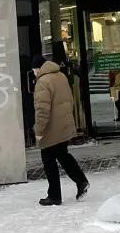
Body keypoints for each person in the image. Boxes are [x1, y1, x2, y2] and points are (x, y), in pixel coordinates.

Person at [32, 53, 89, 207]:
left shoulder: (43, 82)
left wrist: (39, 131)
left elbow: (42, 110)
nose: (34, 73)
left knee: (48, 160)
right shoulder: (61, 76)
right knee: (63, 155)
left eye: (34, 70)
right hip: (64, 124)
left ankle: (54, 196)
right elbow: (69, 100)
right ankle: (81, 181)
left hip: (51, 128)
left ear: (38, 68)